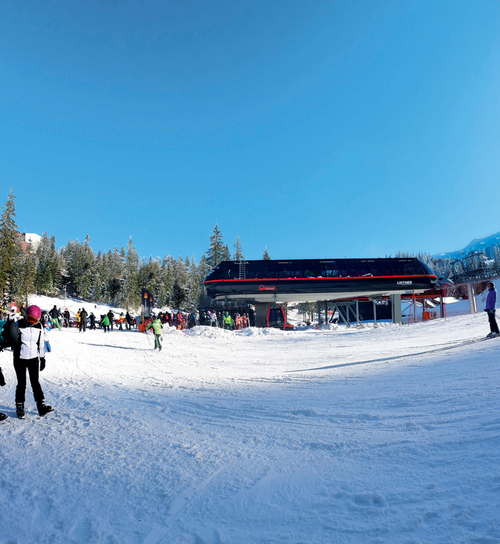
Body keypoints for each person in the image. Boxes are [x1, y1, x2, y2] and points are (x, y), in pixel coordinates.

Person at [9, 305, 53, 419]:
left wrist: (42, 358)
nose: (31, 322)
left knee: (35, 382)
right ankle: (20, 407)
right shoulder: (18, 324)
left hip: (33, 358)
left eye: (35, 320)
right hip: (20, 358)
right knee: (22, 383)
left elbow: (41, 344)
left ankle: (41, 406)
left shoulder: (39, 326)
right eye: (30, 319)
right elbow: (12, 338)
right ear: (25, 316)